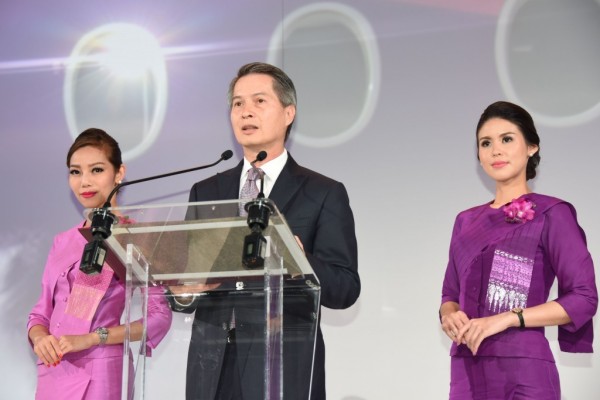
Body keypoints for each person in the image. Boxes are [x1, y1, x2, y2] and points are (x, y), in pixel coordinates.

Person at [168, 62, 360, 399]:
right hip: (213, 367)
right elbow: (182, 291)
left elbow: (345, 289)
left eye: (259, 101)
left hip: (282, 363)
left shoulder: (322, 192)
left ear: (288, 113)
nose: (246, 112)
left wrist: (300, 258)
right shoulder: (206, 191)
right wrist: (184, 289)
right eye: (238, 103)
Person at [439, 101, 598, 399]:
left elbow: (584, 298)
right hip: (466, 366)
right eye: (486, 143)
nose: (495, 150)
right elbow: (450, 295)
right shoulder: (465, 221)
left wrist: (508, 318)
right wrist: (449, 315)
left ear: (531, 148)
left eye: (507, 139)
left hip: (525, 372)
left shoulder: (552, 213)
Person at [27, 128, 173, 400]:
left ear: (119, 173)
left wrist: (94, 337)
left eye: (96, 170)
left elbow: (159, 318)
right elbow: (40, 314)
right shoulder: (63, 241)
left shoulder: (136, 237)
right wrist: (39, 339)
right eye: (75, 172)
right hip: (54, 369)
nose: (84, 181)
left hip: (102, 370)